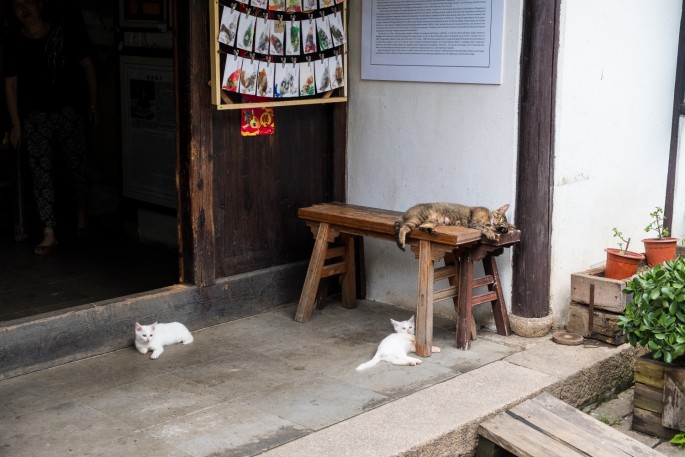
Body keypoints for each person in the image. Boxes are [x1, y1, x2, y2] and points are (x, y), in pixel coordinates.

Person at [4, 0, 97, 255]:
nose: (22, 8)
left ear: (40, 4)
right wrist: (15, 124)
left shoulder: (62, 32)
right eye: (16, 5)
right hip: (35, 115)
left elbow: (88, 67)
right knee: (40, 171)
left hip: (68, 109)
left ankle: (80, 213)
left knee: (77, 164)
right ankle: (49, 232)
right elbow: (10, 85)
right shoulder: (15, 42)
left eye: (27, 2)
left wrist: (92, 105)